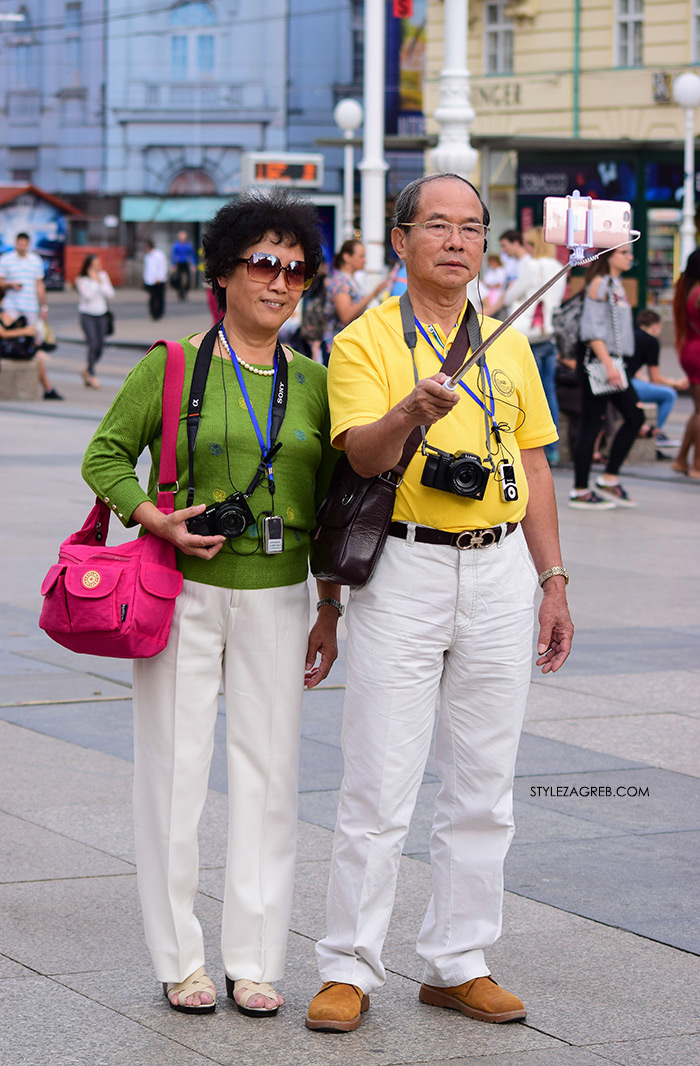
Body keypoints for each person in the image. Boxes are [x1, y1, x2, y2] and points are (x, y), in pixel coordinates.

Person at [306, 172, 573, 1034]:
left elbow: (533, 465)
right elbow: (363, 457)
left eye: (472, 227)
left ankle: (458, 962)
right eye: (438, 226)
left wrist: (553, 581)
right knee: (379, 782)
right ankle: (348, 965)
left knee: (485, 786)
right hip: (406, 570)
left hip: (499, 569)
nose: (457, 241)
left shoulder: (507, 340)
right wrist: (409, 411)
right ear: (402, 239)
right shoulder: (364, 341)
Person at [81, 188, 341, 1017]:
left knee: (270, 779)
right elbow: (106, 456)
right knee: (174, 774)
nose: (281, 281)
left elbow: (334, 502)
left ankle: (256, 960)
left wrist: (328, 605)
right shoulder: (172, 363)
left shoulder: (313, 382)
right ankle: (180, 959)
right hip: (180, 591)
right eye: (265, 263)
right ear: (224, 273)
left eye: (296, 269)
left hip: (279, 596)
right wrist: (152, 514)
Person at [569, 245, 645, 509]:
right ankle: (581, 489)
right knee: (598, 422)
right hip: (600, 364)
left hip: (611, 363)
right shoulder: (600, 284)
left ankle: (606, 479)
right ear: (609, 256)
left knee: (623, 419)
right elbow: (591, 329)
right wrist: (609, 365)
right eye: (624, 252)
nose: (630, 257)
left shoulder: (616, 284)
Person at [501, 226, 566, 465]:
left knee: (526, 395)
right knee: (548, 393)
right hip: (547, 335)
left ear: (533, 245)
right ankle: (552, 448)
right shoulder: (559, 267)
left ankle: (531, 446)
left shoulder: (531, 267)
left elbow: (511, 296)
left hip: (527, 336)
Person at [0, 232, 62, 399]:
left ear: (28, 244)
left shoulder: (35, 260)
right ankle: (47, 387)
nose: (22, 247)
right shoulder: (6, 259)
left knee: (31, 347)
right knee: (12, 342)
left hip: (30, 306)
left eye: (24, 244)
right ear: (16, 243)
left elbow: (39, 284)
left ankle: (47, 388)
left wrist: (44, 306)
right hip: (12, 306)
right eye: (19, 244)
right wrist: (10, 284)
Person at [323, 240, 389, 361]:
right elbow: (346, 315)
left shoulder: (349, 280)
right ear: (347, 257)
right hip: (337, 348)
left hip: (345, 347)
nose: (365, 260)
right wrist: (373, 294)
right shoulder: (340, 282)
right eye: (361, 256)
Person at [629, 309, 687, 446]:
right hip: (628, 384)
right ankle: (656, 431)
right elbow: (656, 378)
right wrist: (674, 383)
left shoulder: (631, 334)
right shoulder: (651, 341)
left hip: (622, 379)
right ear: (655, 327)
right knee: (669, 395)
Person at [671, 248, 700, 478]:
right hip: (698, 351)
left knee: (697, 410)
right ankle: (697, 465)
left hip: (690, 349)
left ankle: (681, 460)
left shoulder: (687, 288)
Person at [74, 254, 114, 388]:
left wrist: (99, 281)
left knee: (101, 346)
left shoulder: (103, 276)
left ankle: (87, 370)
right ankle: (92, 374)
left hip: (101, 314)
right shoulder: (81, 280)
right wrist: (95, 282)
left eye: (99, 264)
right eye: (94, 264)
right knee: (93, 344)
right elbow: (88, 296)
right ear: (88, 266)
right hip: (87, 315)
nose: (97, 267)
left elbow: (110, 294)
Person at [143, 240, 168, 320]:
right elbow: (147, 268)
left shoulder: (159, 255)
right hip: (150, 280)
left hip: (158, 280)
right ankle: (153, 313)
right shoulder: (147, 256)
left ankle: (159, 313)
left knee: (159, 297)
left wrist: (160, 277)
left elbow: (162, 266)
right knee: (152, 297)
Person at [170, 230, 198, 300]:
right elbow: (173, 255)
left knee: (187, 279)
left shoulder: (188, 245)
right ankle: (179, 293)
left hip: (186, 263)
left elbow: (191, 255)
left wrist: (193, 264)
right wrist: (173, 265)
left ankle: (185, 292)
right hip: (179, 263)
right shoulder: (176, 246)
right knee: (178, 279)